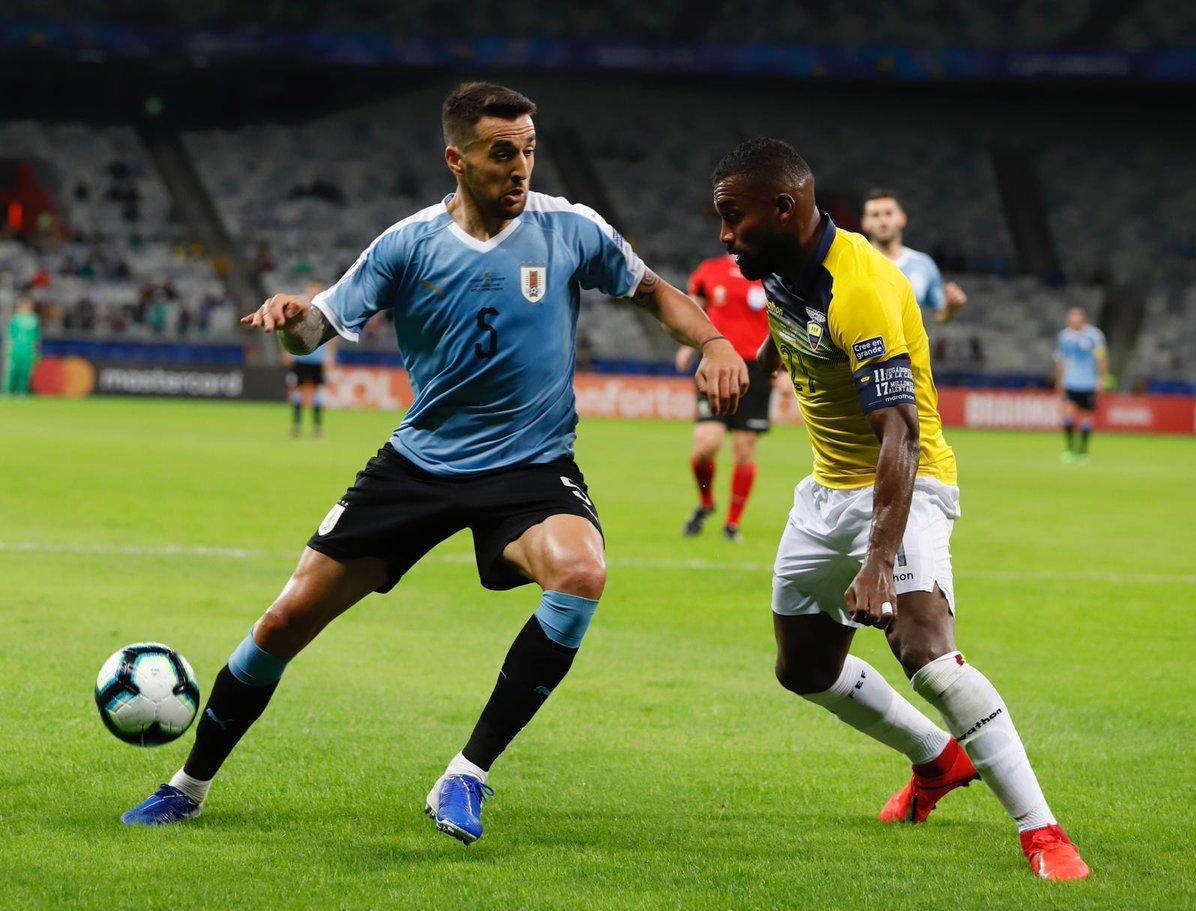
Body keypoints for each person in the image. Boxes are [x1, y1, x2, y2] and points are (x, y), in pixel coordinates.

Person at [120, 82, 748, 843]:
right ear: (456, 158)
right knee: (286, 618)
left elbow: (656, 294)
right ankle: (189, 784)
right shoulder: (407, 244)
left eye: (528, 150)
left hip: (530, 466)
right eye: (501, 153)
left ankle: (467, 773)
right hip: (420, 465)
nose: (520, 168)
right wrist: (290, 320)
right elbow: (315, 329)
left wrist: (713, 340)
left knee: (581, 572)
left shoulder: (571, 227)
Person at [711, 138, 1089, 881]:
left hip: (906, 485)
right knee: (804, 667)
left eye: (734, 218)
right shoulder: (781, 271)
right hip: (827, 490)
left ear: (783, 209)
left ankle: (1043, 833)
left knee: (924, 650)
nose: (725, 236)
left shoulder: (862, 288)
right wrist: (742, 375)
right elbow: (788, 345)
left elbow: (902, 435)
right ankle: (937, 761)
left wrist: (880, 559)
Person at [675, 253, 781, 541]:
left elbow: (784, 320)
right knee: (706, 444)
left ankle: (732, 524)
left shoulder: (772, 272)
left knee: (745, 448)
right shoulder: (710, 270)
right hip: (717, 363)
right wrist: (688, 344)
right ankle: (707, 502)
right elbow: (693, 309)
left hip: (757, 369)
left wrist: (784, 365)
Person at [861, 190, 966, 324]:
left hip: (909, 344)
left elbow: (940, 316)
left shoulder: (923, 264)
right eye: (875, 215)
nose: (883, 221)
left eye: (888, 213)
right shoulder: (854, 262)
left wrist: (951, 308)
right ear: (865, 222)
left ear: (902, 218)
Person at [284, 280, 337, 438]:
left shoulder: (325, 306)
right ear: (308, 288)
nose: (314, 291)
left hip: (317, 359)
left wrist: (329, 356)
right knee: (297, 392)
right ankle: (296, 427)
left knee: (317, 393)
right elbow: (287, 328)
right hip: (299, 357)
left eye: (317, 288)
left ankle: (317, 428)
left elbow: (332, 335)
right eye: (312, 288)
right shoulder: (298, 305)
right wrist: (287, 352)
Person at [1054, 307, 1107, 464]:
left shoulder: (1095, 336)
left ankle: (1083, 451)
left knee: (1086, 416)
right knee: (1068, 414)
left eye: (1076, 317)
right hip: (1071, 382)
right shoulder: (1064, 337)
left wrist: (1101, 378)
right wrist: (1060, 379)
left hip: (1088, 383)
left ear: (1082, 319)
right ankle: (1070, 449)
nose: (1073, 320)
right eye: (1071, 317)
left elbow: (1101, 358)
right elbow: (1061, 360)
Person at [4, 297, 40, 396]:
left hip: (28, 349)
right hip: (16, 348)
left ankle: (22, 392)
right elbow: (10, 335)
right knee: (12, 370)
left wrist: (36, 351)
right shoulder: (15, 318)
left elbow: (36, 337)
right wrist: (8, 348)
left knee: (25, 371)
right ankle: (8, 391)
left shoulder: (34, 318)